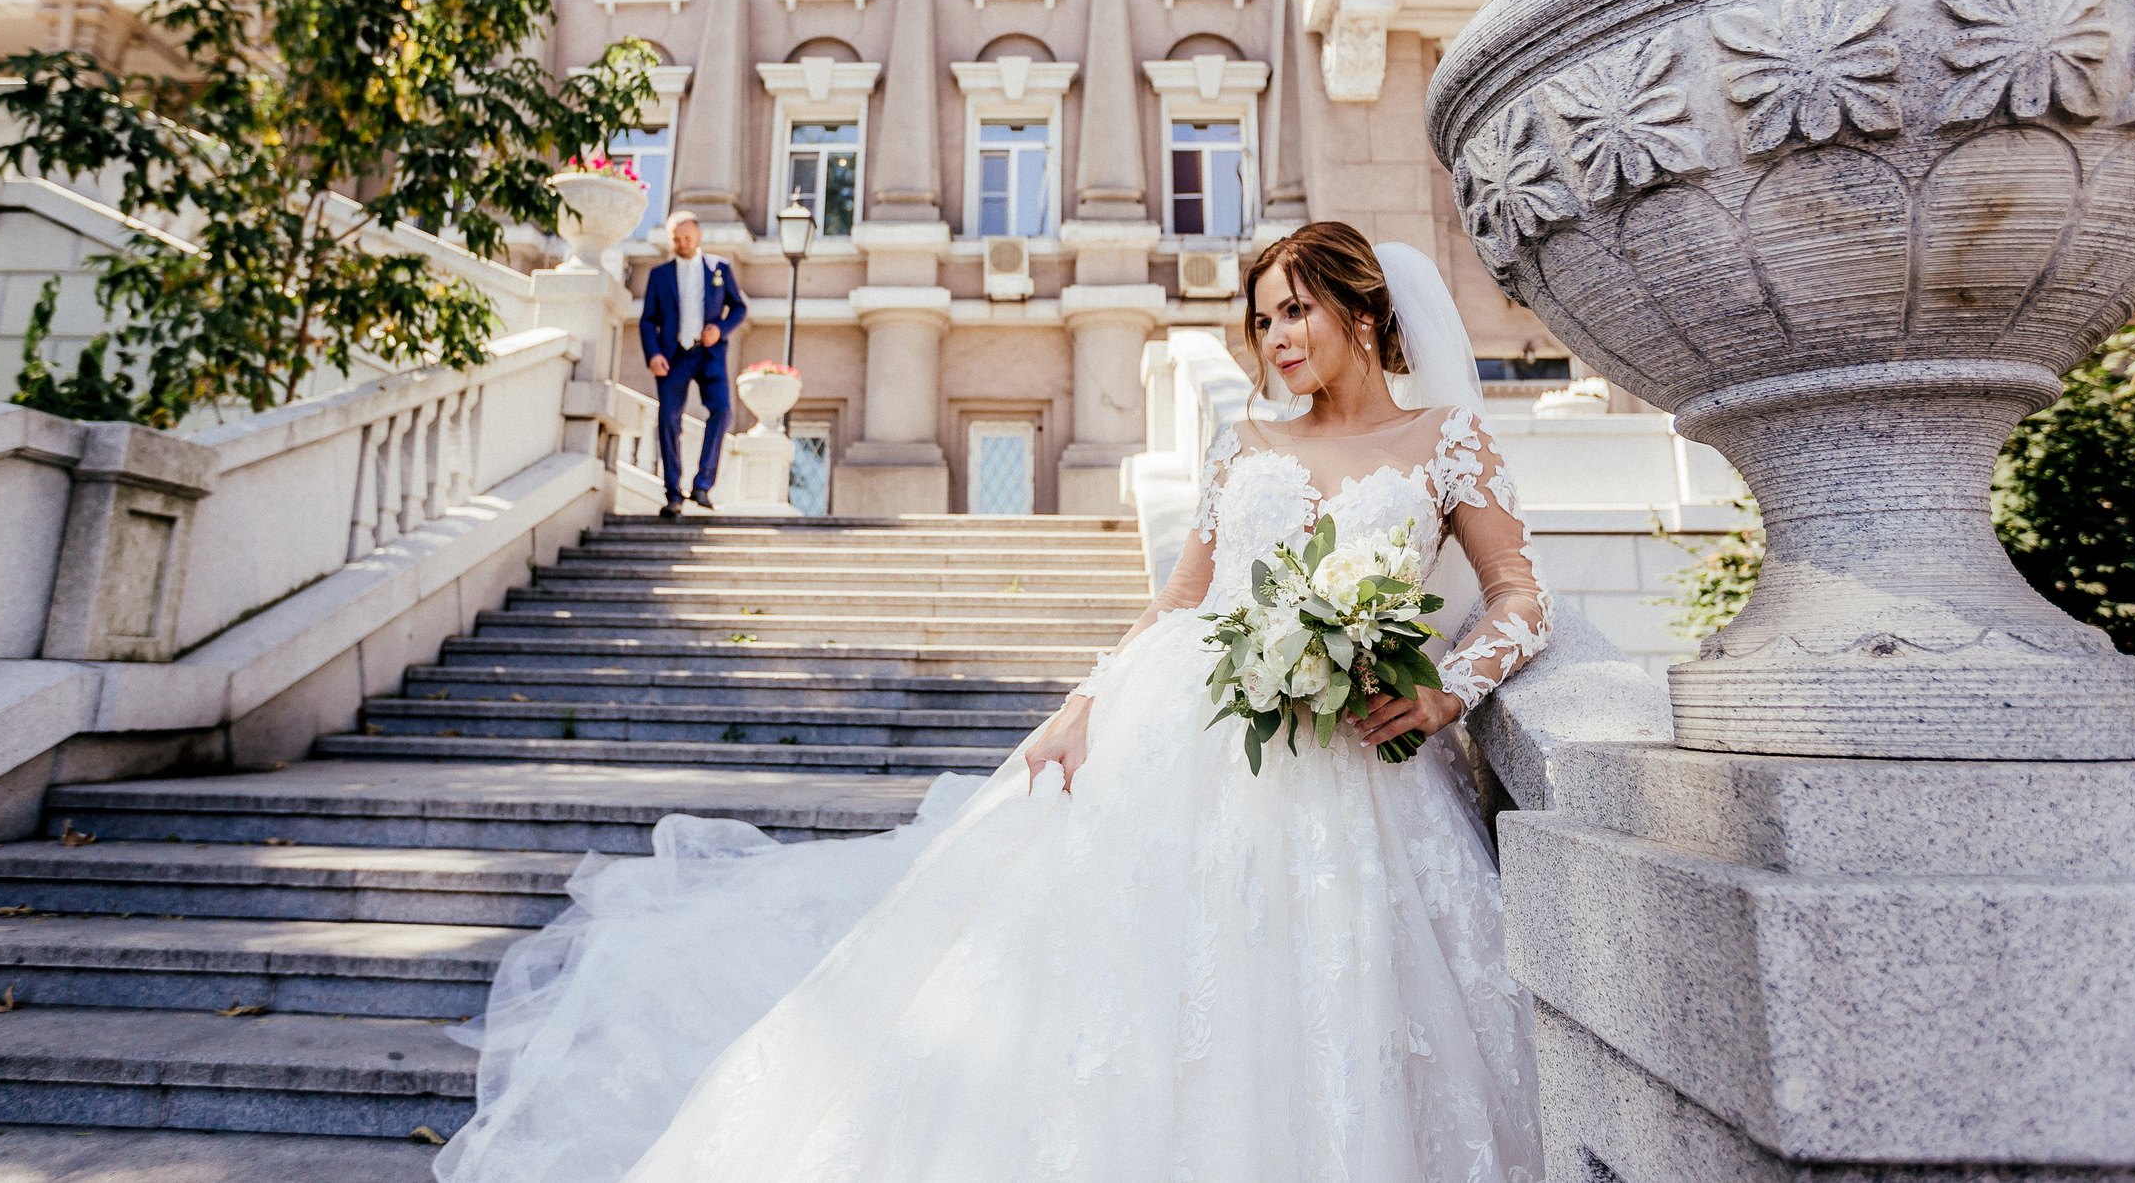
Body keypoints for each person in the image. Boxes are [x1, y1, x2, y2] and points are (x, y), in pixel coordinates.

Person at [438, 220, 1552, 1183]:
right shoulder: (1243, 441)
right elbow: (1179, 604)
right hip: (1193, 734)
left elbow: (1518, 599)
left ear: (1363, 310)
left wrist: (1445, 694)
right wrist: (1082, 704)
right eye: (1262, 322)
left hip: (1354, 768)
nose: (1278, 340)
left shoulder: (1442, 441)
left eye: (1297, 312)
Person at [637, 211, 747, 519]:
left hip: (709, 355)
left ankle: (702, 484)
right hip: (673, 358)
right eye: (676, 239)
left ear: (697, 236)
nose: (682, 243)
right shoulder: (660, 275)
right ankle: (673, 494)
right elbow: (647, 320)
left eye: (687, 237)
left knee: (723, 411)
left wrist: (720, 329)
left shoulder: (719, 268)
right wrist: (653, 354)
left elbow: (739, 308)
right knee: (669, 421)